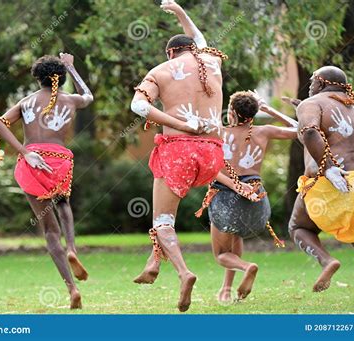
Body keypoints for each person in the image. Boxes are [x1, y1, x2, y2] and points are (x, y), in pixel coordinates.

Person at [130, 0, 230, 312]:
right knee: (167, 215)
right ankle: (153, 264)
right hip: (213, 154)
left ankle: (184, 273)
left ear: (171, 53)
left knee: (162, 220)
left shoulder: (160, 71)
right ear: (192, 50)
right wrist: (179, 12)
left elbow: (139, 107)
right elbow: (200, 39)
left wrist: (179, 124)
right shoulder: (212, 63)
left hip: (178, 152)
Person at [0, 53, 93, 309]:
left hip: (33, 161)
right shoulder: (70, 100)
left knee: (50, 231)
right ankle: (73, 247)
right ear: (62, 78)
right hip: (59, 159)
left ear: (37, 78)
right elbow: (88, 96)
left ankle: (72, 289)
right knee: (63, 205)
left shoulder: (27, 101)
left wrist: (25, 153)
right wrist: (73, 68)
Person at [289, 65, 354, 301]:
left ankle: (328, 260)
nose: (310, 86)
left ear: (322, 83)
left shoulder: (312, 103)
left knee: (299, 228)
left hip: (337, 178)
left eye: (313, 81)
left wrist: (328, 169)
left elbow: (310, 131)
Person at [196, 90, 297, 302]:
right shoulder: (264, 131)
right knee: (236, 236)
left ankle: (246, 267)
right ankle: (226, 289)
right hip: (256, 197)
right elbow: (300, 130)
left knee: (222, 254)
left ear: (231, 112)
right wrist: (269, 109)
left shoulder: (218, 132)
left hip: (225, 196)